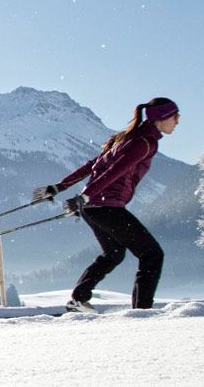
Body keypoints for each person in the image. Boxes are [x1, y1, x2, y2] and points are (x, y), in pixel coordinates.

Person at [34, 97, 179, 312]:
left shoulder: (128, 138)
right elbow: (114, 171)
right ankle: (142, 312)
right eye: (175, 116)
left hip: (93, 207)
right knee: (152, 254)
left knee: (113, 253)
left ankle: (78, 299)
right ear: (162, 117)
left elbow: (94, 165)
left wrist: (59, 187)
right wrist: (86, 196)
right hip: (105, 206)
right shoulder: (145, 142)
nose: (178, 121)